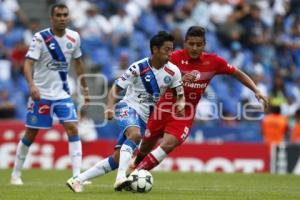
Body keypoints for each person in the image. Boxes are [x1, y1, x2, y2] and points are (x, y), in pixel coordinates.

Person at [131, 26, 269, 172]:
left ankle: (138, 173)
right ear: (185, 43)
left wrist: (256, 90)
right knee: (145, 146)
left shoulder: (214, 61)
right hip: (162, 109)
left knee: (169, 143)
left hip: (185, 113)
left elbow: (237, 73)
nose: (195, 48)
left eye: (199, 44)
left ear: (204, 45)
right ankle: (133, 167)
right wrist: (179, 80)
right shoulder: (173, 58)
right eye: (191, 44)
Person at [66, 31, 185, 192]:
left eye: (172, 49)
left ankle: (77, 180)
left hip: (143, 118)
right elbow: (116, 88)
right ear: (155, 49)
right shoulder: (138, 68)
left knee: (116, 159)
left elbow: (180, 95)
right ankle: (121, 178)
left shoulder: (174, 72)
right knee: (135, 135)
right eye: (167, 49)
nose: (170, 53)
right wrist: (109, 107)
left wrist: (180, 104)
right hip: (127, 107)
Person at [10, 4, 90, 185]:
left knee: (73, 128)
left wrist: (85, 89)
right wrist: (31, 86)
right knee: (31, 134)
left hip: (62, 94)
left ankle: (77, 176)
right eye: (59, 15)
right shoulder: (40, 38)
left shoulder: (74, 37)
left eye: (65, 15)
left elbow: (79, 64)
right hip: (42, 94)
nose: (62, 18)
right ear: (51, 18)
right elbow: (28, 64)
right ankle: (15, 174)